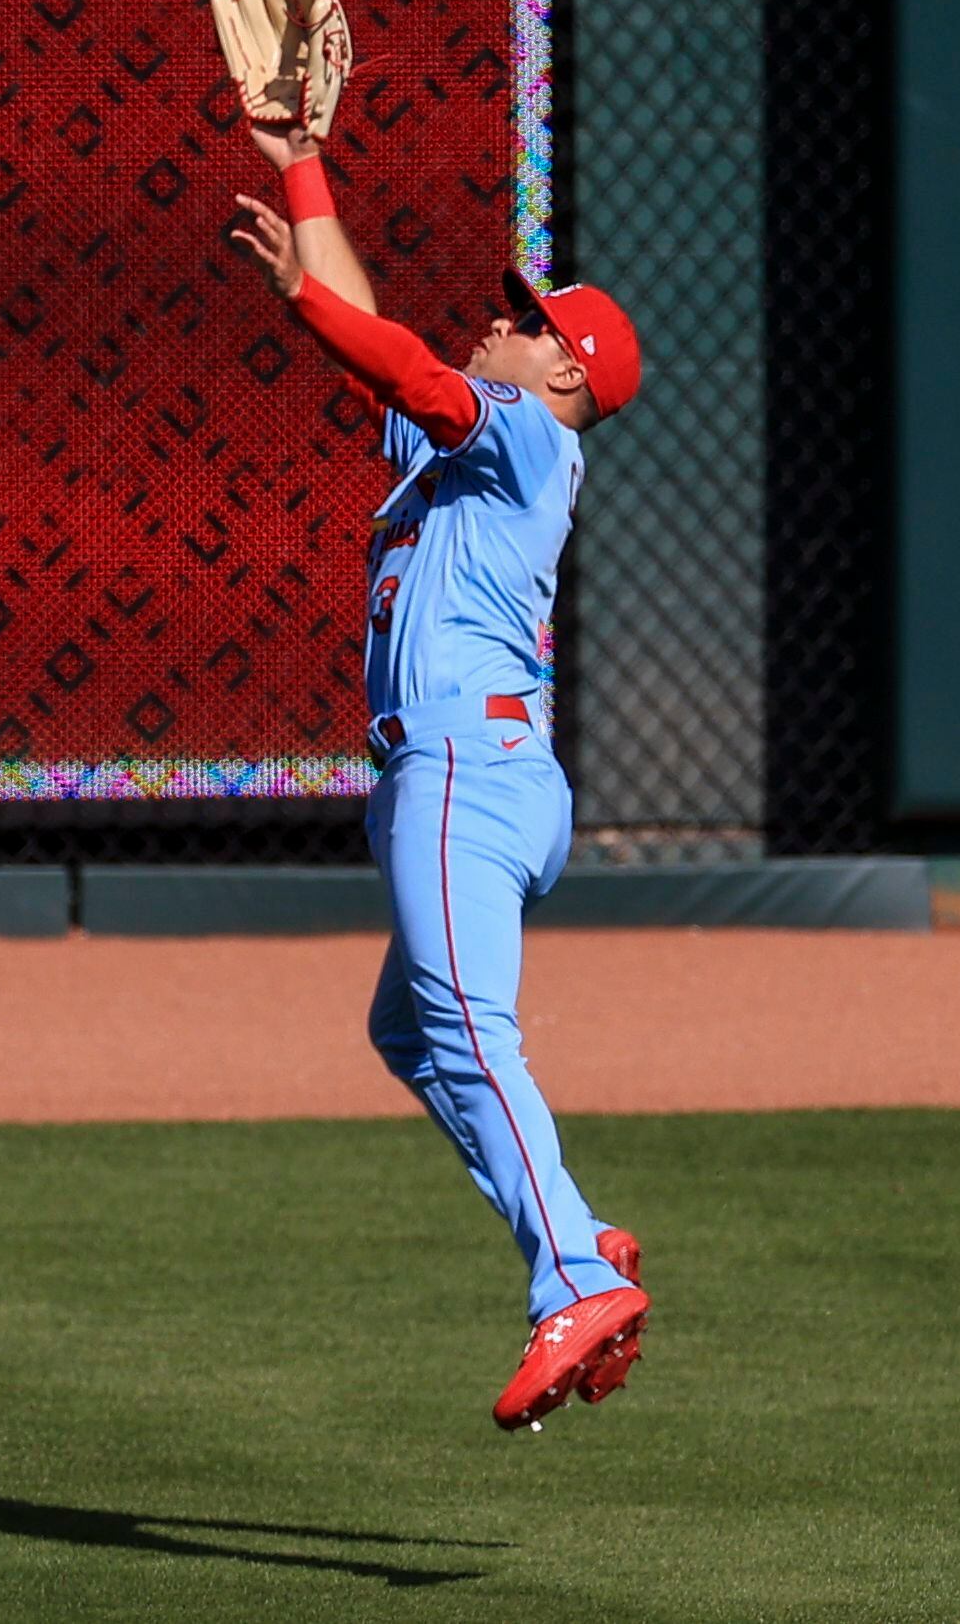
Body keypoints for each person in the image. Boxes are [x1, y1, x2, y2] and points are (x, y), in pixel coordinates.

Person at [228, 115, 650, 1433]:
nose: (498, 319)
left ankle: (574, 1274)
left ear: (565, 370)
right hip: (464, 770)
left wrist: (297, 294)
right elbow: (384, 352)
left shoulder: (527, 434)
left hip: (471, 764)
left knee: (466, 1033)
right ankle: (580, 1238)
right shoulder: (465, 450)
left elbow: (400, 360)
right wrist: (300, 161)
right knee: (411, 1030)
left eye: (524, 319)